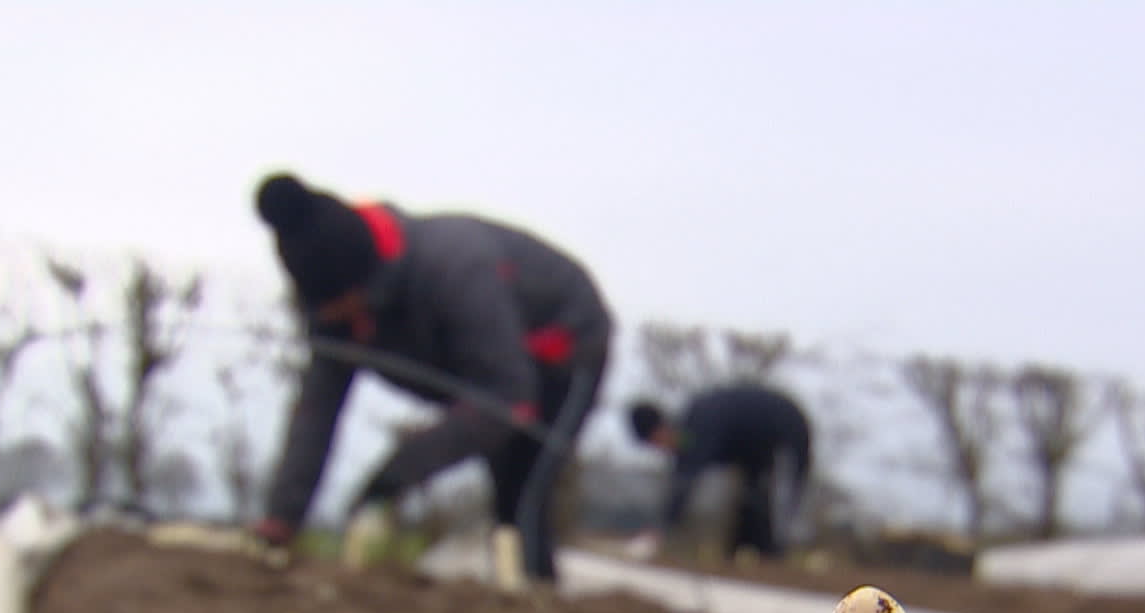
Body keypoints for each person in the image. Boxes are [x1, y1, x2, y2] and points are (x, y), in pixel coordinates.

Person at [249, 172, 614, 583]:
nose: (349, 326)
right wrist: (281, 517)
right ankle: (518, 605)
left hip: (561, 347)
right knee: (507, 503)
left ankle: (537, 611)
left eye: (347, 311)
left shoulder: (453, 267)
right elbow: (316, 413)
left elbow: (509, 398)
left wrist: (395, 475)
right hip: (486, 376)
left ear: (366, 283)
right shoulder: (332, 314)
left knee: (523, 495)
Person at [625, 383, 813, 562]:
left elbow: (685, 482)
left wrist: (659, 530)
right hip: (752, 445)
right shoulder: (688, 433)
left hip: (787, 428)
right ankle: (753, 551)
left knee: (780, 500)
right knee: (751, 496)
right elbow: (682, 474)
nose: (661, 449)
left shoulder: (697, 425)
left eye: (656, 442)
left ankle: (781, 555)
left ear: (661, 428)